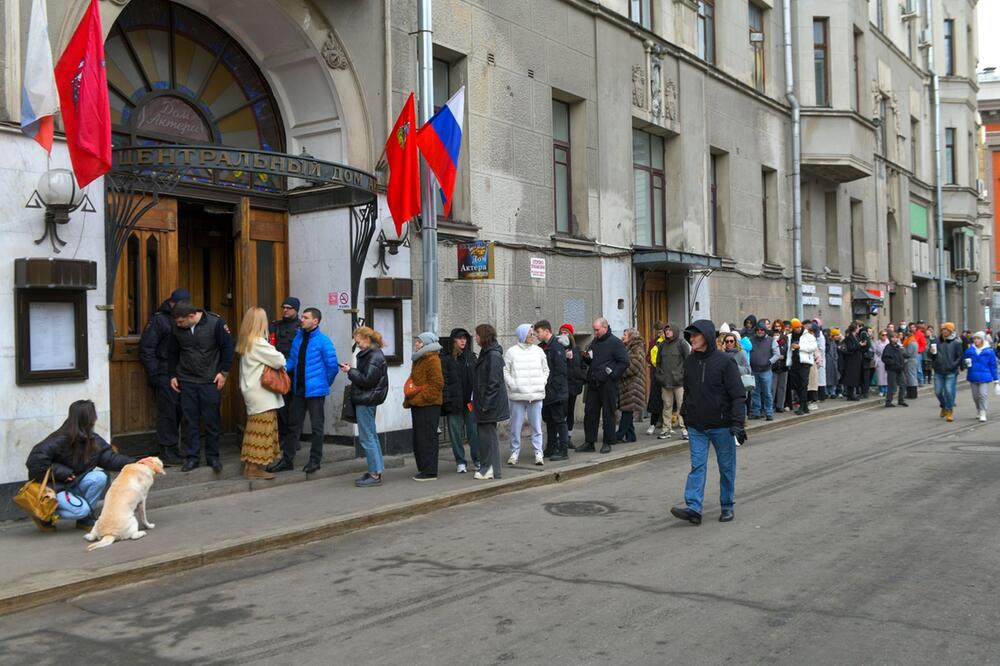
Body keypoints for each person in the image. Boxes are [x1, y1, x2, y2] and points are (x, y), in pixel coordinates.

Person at [669, 320, 746, 525]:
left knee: (726, 467)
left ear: (707, 337)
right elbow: (689, 390)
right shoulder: (691, 362)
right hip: (696, 426)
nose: (691, 339)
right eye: (690, 336)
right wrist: (685, 412)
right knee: (697, 466)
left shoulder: (724, 362)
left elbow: (738, 395)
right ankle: (694, 508)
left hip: (721, 425)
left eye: (695, 335)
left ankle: (727, 505)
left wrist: (738, 423)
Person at [25, 400, 133, 531]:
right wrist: (62, 472)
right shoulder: (59, 439)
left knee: (99, 477)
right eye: (93, 415)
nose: (95, 419)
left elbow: (109, 458)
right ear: (87, 419)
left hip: (74, 484)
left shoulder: (92, 439)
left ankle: (84, 520)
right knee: (82, 510)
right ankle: (44, 514)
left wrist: (135, 463)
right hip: (55, 488)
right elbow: (35, 463)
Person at [168, 300, 235, 473]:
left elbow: (228, 347)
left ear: (191, 316)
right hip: (187, 380)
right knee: (190, 421)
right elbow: (172, 351)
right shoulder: (177, 327)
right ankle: (192, 458)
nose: (178, 324)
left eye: (181, 321)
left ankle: (213, 457)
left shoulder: (216, 323)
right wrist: (172, 375)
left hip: (210, 380)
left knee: (211, 420)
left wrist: (224, 372)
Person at [272, 307, 339, 474]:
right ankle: (287, 460)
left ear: (315, 321)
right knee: (293, 425)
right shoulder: (298, 338)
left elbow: (332, 367)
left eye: (306, 317)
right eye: (302, 316)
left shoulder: (324, 341)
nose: (302, 319)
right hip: (298, 390)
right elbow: (293, 361)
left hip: (316, 392)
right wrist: (283, 370)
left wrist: (324, 384)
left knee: (317, 427)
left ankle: (315, 461)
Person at [138, 287, 189, 465]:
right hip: (163, 372)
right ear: (171, 302)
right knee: (167, 411)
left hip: (182, 372)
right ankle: (167, 449)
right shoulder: (159, 320)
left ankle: (174, 448)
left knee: (178, 410)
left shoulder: (185, 318)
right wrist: (154, 374)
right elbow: (147, 348)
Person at [236, 307, 286, 480]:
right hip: (262, 394)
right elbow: (280, 360)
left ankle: (251, 467)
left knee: (255, 432)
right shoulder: (258, 342)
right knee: (262, 432)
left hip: (253, 392)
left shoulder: (246, 341)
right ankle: (254, 469)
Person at [341, 326, 389, 486]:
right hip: (368, 399)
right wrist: (352, 370)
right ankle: (375, 470)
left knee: (367, 437)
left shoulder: (374, 356)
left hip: (366, 399)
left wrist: (350, 371)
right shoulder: (372, 354)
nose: (358, 345)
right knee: (371, 436)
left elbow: (368, 380)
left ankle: (375, 475)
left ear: (367, 339)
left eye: (359, 341)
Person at [580, 317, 629, 454]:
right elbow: (593, 359)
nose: (595, 332)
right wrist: (586, 358)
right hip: (594, 383)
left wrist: (612, 375)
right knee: (590, 413)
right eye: (594, 330)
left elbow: (624, 362)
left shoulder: (615, 342)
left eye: (597, 330)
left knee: (608, 414)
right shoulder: (595, 341)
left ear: (605, 328)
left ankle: (608, 441)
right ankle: (590, 442)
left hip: (608, 384)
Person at [504, 324, 549, 466]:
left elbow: (546, 369)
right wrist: (513, 384)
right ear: (523, 335)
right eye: (530, 334)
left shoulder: (539, 351)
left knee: (537, 426)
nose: (533, 336)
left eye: (534, 334)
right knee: (515, 427)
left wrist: (542, 382)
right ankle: (514, 452)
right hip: (518, 396)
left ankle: (538, 453)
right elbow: (506, 371)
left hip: (535, 395)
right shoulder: (512, 352)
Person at [404, 332, 444, 480]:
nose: (416, 344)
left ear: (426, 343)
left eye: (419, 342)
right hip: (419, 404)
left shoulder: (432, 359)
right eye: (416, 341)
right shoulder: (420, 358)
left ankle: (430, 471)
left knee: (428, 438)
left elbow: (437, 384)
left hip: (428, 405)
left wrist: (421, 398)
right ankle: (424, 468)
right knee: (420, 438)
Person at [473, 324, 509, 480]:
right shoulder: (487, 353)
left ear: (484, 336)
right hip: (485, 402)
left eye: (477, 335)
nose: (475, 338)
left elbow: (493, 383)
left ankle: (491, 469)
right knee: (485, 437)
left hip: (488, 404)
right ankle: (488, 468)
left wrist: (486, 404)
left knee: (489, 437)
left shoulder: (492, 355)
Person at [441, 327, 479, 474]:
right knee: (455, 433)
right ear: (453, 341)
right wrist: (447, 401)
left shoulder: (471, 357)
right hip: (454, 403)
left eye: (465, 338)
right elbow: (444, 381)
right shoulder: (447, 358)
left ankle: (477, 459)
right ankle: (460, 461)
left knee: (473, 432)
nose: (463, 341)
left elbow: (477, 379)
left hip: (470, 403)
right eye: (459, 338)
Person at [535, 320, 570, 461]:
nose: (537, 335)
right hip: (547, 392)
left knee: (559, 420)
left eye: (538, 332)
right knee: (549, 420)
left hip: (556, 392)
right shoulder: (542, 347)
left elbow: (560, 371)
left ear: (546, 331)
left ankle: (563, 450)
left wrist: (553, 389)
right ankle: (551, 447)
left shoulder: (556, 347)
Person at [268, 296, 301, 444]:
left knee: (296, 407)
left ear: (296, 310)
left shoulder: (302, 327)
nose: (285, 310)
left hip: (296, 372)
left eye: (289, 308)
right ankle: (283, 436)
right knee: (281, 405)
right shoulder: (275, 325)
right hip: (279, 371)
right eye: (284, 307)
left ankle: (294, 438)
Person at [654, 323, 689, 439]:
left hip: (679, 382)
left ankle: (685, 430)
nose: (667, 332)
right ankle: (666, 429)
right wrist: (660, 376)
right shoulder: (662, 345)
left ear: (674, 331)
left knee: (681, 405)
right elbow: (658, 362)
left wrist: (683, 375)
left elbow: (688, 361)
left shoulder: (682, 344)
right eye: (666, 330)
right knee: (667, 405)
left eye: (669, 330)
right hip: (666, 382)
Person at [616, 328, 647, 443]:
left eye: (625, 335)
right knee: (627, 410)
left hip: (633, 386)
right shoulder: (628, 347)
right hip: (628, 385)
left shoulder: (636, 349)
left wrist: (617, 372)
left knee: (627, 411)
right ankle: (631, 436)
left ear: (631, 337)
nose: (623, 336)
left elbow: (632, 368)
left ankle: (619, 435)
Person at [559, 324, 585, 448]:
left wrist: (582, 377)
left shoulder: (576, 349)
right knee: (561, 413)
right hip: (562, 386)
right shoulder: (557, 348)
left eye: (566, 332)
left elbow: (582, 366)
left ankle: (568, 437)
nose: (564, 334)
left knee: (570, 412)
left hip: (573, 386)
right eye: (562, 332)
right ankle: (560, 438)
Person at [931, 322, 963, 422]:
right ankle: (944, 406)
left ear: (951, 331)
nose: (944, 331)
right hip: (938, 370)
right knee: (938, 392)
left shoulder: (956, 343)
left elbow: (960, 357)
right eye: (943, 329)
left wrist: (953, 366)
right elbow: (931, 355)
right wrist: (931, 352)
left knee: (949, 391)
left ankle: (949, 410)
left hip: (951, 371)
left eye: (947, 330)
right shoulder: (936, 341)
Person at [963, 331, 999, 422]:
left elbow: (993, 366)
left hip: (985, 376)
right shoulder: (969, 350)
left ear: (982, 339)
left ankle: (983, 412)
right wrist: (965, 363)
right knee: (975, 396)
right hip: (973, 375)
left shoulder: (989, 351)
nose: (976, 340)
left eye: (978, 338)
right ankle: (978, 410)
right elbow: (964, 361)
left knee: (983, 395)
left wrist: (996, 380)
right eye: (974, 338)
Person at [748, 321, 780, 421]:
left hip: (766, 370)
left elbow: (777, 354)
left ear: (765, 330)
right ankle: (756, 412)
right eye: (758, 330)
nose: (760, 331)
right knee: (755, 393)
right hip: (753, 370)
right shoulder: (750, 340)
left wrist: (769, 362)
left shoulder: (771, 341)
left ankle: (769, 413)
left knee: (767, 393)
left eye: (762, 330)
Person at [786, 318, 816, 415]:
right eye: (795, 328)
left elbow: (813, 347)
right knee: (796, 384)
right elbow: (789, 349)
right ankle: (805, 406)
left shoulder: (808, 336)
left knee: (803, 384)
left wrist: (800, 347)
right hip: (794, 363)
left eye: (799, 327)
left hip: (804, 363)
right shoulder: (790, 336)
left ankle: (802, 406)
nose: (797, 329)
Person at [645, 322, 666, 436]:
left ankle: (666, 424)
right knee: (655, 399)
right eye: (658, 332)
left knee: (667, 401)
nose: (660, 334)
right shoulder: (653, 342)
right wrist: (651, 361)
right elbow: (648, 356)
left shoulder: (669, 342)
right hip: (656, 374)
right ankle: (653, 423)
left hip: (668, 375)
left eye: (661, 331)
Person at [881, 331, 907, 407]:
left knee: (903, 384)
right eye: (893, 337)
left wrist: (903, 361)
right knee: (891, 386)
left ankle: (901, 400)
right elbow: (885, 358)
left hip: (900, 369)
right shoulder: (888, 347)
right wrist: (893, 363)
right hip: (892, 369)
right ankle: (888, 402)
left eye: (896, 337)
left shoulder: (898, 347)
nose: (895, 339)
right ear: (890, 338)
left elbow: (901, 356)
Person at [840, 324, 863, 401]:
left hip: (856, 359)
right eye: (857, 328)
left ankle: (852, 394)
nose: (858, 329)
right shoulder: (849, 338)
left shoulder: (856, 337)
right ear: (854, 329)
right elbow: (850, 348)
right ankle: (850, 395)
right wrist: (859, 345)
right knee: (851, 377)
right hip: (850, 360)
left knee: (854, 377)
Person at [770, 321, 789, 412]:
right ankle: (771, 405)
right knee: (772, 387)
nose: (777, 328)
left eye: (779, 326)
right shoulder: (770, 339)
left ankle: (780, 405)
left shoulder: (785, 339)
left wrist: (784, 356)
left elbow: (787, 351)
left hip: (783, 366)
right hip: (773, 366)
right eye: (776, 326)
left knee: (782, 387)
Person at [902, 329, 920, 400]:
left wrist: (902, 350)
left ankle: (911, 394)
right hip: (913, 360)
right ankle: (913, 394)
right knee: (912, 376)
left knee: (910, 377)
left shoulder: (911, 342)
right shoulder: (913, 341)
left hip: (910, 361)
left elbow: (908, 353)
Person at [825, 327, 842, 399]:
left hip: (833, 362)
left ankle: (832, 392)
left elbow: (835, 352)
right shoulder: (826, 342)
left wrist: (835, 358)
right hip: (827, 361)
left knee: (834, 377)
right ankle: (827, 392)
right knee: (826, 378)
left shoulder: (833, 342)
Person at [874, 329, 889, 397]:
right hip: (880, 360)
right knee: (880, 376)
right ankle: (881, 390)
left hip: (887, 360)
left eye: (886, 335)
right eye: (883, 335)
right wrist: (876, 360)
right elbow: (875, 352)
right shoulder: (877, 343)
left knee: (886, 376)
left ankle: (886, 389)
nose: (884, 336)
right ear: (880, 336)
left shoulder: (889, 342)